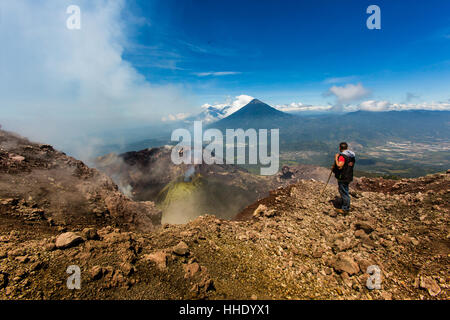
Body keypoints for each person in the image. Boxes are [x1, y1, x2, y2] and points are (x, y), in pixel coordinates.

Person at [332, 142, 356, 215]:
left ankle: (345, 209)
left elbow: (340, 166)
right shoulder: (351, 156)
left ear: (340, 148)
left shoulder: (342, 156)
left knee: (344, 192)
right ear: (346, 148)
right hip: (348, 175)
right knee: (345, 190)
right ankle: (345, 205)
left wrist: (336, 158)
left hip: (343, 177)